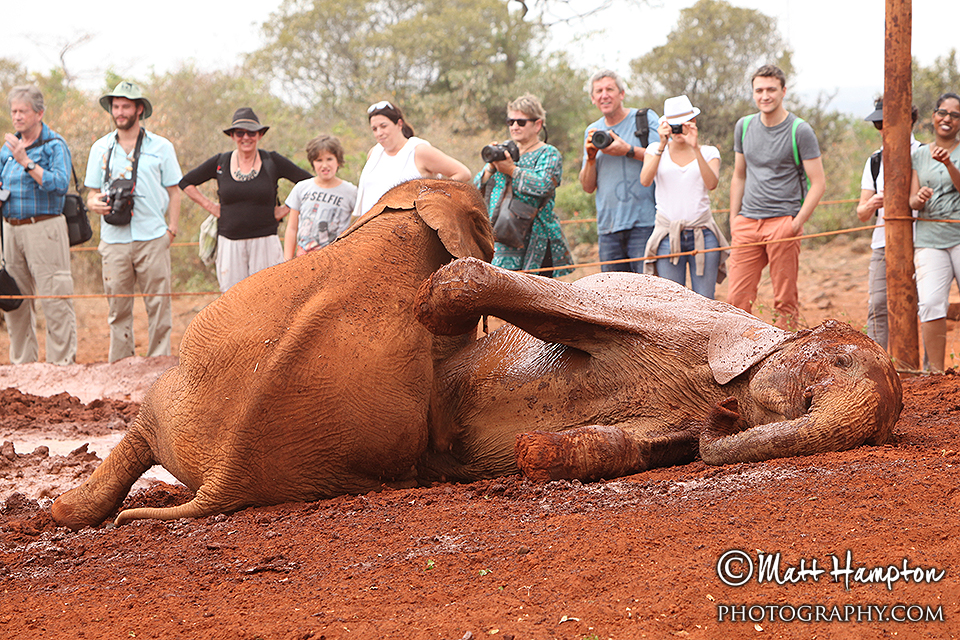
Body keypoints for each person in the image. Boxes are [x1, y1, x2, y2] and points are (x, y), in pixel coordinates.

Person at [85, 81, 182, 363]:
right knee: (117, 308)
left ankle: (158, 365)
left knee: (159, 305)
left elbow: (174, 192)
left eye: (126, 105)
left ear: (139, 109)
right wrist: (93, 204)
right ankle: (120, 366)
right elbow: (92, 194)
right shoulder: (100, 148)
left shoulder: (162, 147)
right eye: (116, 106)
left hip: (152, 236)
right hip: (114, 239)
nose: (120, 111)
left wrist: (171, 230)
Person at [728, 64, 826, 330]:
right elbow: (739, 175)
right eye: (759, 90)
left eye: (771, 89)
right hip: (747, 223)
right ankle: (738, 361)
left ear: (783, 91)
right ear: (753, 93)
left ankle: (785, 363)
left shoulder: (799, 130)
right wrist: (733, 219)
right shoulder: (744, 126)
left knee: (784, 301)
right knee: (736, 299)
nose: (765, 95)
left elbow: (818, 182)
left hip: (783, 222)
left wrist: (795, 224)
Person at [180, 108, 311, 291]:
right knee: (232, 299)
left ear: (260, 135)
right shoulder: (221, 162)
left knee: (268, 295)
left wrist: (287, 208)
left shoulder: (271, 161)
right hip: (230, 242)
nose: (246, 137)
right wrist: (211, 207)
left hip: (265, 241)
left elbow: (309, 183)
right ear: (233, 136)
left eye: (251, 132)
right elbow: (186, 182)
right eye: (240, 133)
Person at [0, 85, 77, 364]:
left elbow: (59, 185)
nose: (17, 117)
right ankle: (24, 365)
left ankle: (61, 365)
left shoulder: (55, 145)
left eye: (23, 111)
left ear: (39, 113)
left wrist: (26, 161)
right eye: (13, 111)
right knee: (15, 300)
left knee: (54, 297)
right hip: (11, 229)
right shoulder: (6, 149)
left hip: (44, 228)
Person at [474, 94, 573, 277]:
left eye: (520, 122)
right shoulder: (504, 153)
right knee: (502, 292)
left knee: (539, 298)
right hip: (501, 236)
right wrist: (490, 167)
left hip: (536, 238)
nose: (514, 126)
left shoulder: (549, 153)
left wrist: (512, 170)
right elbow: (475, 191)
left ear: (537, 124)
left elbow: (544, 185)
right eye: (510, 121)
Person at [639, 95, 727, 298]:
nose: (678, 130)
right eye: (673, 125)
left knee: (705, 299)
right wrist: (661, 145)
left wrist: (695, 147)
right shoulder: (654, 150)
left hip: (703, 234)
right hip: (668, 234)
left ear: (693, 122)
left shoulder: (708, 152)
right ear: (664, 125)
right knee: (672, 301)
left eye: (682, 124)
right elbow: (645, 180)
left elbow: (711, 184)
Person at [856, 97, 922, 351]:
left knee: (923, 304)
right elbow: (862, 213)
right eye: (879, 124)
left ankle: (929, 371)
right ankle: (877, 368)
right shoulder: (874, 161)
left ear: (910, 121)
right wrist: (875, 201)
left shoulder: (924, 154)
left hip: (922, 240)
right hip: (882, 242)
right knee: (878, 306)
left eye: (888, 122)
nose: (883, 128)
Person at [578, 70, 660, 273]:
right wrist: (589, 158)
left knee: (648, 294)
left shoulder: (644, 118)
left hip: (646, 222)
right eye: (598, 91)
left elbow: (664, 157)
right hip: (608, 228)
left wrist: (628, 150)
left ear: (621, 94)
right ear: (593, 99)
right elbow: (587, 187)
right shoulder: (593, 131)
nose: (604, 95)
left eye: (609, 89)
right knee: (613, 297)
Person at [909, 93, 960, 373]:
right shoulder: (918, 155)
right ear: (933, 116)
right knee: (929, 302)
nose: (947, 119)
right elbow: (911, 201)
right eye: (943, 112)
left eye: (954, 115)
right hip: (929, 238)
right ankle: (937, 374)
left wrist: (949, 164)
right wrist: (919, 197)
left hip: (959, 235)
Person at [355, 101, 471, 216]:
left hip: (409, 227)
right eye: (374, 129)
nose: (379, 133)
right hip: (370, 226)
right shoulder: (374, 154)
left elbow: (462, 173)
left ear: (399, 124)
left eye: (384, 126)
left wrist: (433, 198)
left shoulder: (419, 151)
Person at [283, 134, 357, 260]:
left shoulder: (351, 191)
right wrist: (287, 260)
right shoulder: (302, 188)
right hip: (303, 258)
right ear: (312, 163)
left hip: (336, 260)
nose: (324, 165)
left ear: (338, 161)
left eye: (329, 159)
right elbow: (292, 228)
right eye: (319, 160)